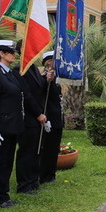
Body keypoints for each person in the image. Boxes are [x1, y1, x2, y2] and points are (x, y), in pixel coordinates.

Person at [0, 40, 46, 207]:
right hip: (2, 127)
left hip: (13, 126)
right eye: (9, 51)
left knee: (7, 162)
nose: (14, 54)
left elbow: (23, 93)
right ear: (1, 54)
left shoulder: (10, 74)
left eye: (13, 51)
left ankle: (4, 195)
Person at [12, 41, 47, 194]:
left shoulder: (33, 68)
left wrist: (47, 79)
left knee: (35, 150)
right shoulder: (19, 69)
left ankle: (33, 180)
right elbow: (26, 94)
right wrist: (38, 113)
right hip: (27, 116)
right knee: (26, 152)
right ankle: (24, 184)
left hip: (37, 117)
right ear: (21, 50)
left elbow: (39, 90)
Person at [38, 51, 64, 185]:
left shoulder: (57, 79)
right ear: (48, 63)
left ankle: (51, 174)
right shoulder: (43, 78)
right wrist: (47, 81)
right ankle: (43, 175)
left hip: (57, 118)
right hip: (48, 118)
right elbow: (41, 96)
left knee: (54, 147)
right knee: (46, 148)